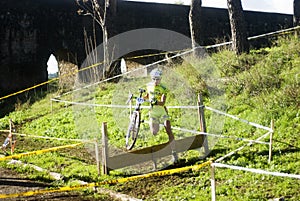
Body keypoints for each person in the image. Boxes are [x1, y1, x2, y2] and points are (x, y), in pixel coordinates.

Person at [144, 68, 178, 163]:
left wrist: (155, 101)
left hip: (162, 111)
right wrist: (141, 98)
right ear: (151, 79)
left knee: (168, 129)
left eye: (158, 79)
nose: (156, 81)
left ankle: (174, 152)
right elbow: (147, 96)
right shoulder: (149, 86)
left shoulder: (163, 88)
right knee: (154, 132)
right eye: (154, 79)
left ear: (160, 79)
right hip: (153, 112)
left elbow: (163, 102)